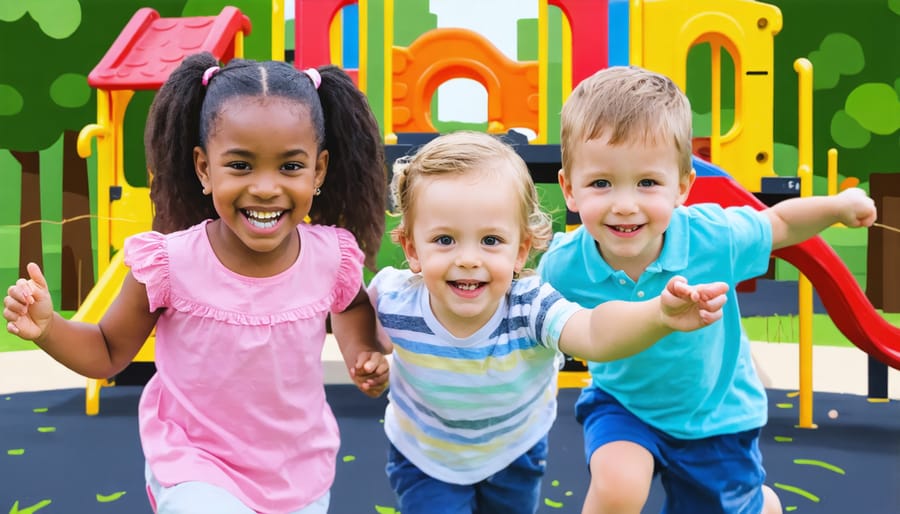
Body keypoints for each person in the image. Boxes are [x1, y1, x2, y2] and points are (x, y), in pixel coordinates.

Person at [3, 52, 391, 514]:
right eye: (240, 166)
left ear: (318, 171)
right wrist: (49, 328)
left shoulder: (332, 256)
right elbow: (107, 350)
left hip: (298, 468)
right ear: (205, 169)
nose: (266, 187)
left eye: (290, 167)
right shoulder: (169, 263)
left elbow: (350, 309)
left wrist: (363, 358)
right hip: (194, 460)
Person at [538, 65, 877, 514]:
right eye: (601, 183)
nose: (624, 203)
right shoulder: (563, 265)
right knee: (617, 489)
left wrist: (836, 207)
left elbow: (779, 223)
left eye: (647, 183)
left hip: (714, 413)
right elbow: (524, 314)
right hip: (622, 404)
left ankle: (761, 505)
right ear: (570, 190)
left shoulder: (713, 236)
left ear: (681, 187)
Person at [368, 130, 732, 514]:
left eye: (491, 241)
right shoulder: (395, 299)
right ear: (412, 249)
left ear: (521, 249)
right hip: (425, 454)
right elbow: (352, 307)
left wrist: (659, 315)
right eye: (445, 240)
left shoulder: (530, 307)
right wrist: (363, 349)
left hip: (515, 449)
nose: (468, 259)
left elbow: (592, 331)